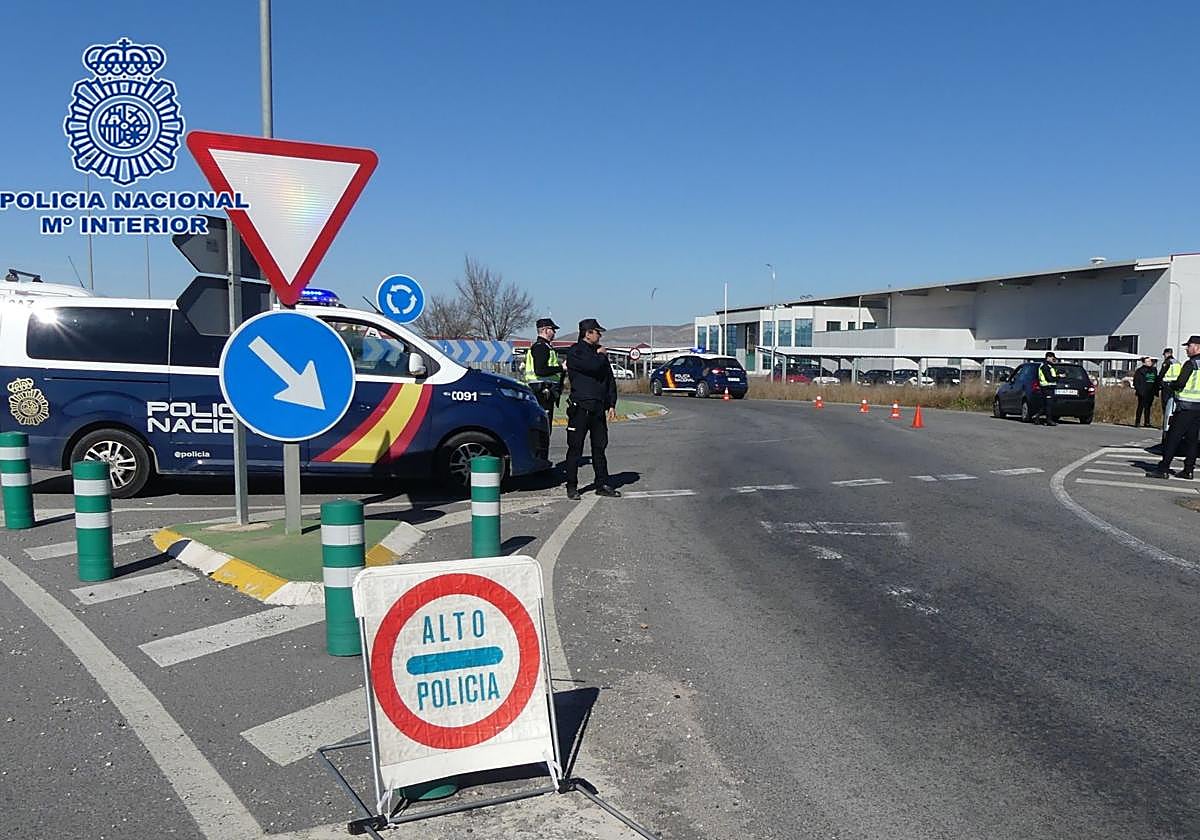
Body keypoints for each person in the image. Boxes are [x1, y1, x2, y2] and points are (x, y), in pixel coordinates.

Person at [563, 318, 619, 500]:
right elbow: (591, 367)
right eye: (597, 332)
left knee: (599, 447)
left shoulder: (599, 354)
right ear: (588, 333)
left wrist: (611, 403)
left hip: (597, 408)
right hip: (580, 407)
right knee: (575, 448)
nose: (600, 335)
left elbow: (608, 379)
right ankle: (572, 486)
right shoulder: (575, 352)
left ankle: (602, 483)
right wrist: (601, 356)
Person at [1149, 335, 1200, 480]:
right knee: (1192, 439)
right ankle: (1188, 470)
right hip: (1198, 408)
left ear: (1197, 347)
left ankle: (1163, 468)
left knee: (1173, 437)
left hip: (1185, 407)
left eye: (1188, 346)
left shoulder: (1191, 364)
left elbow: (1180, 383)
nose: (1186, 349)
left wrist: (1171, 386)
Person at [522, 317, 565, 425]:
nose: (554, 332)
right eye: (553, 329)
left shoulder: (543, 346)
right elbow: (540, 370)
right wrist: (561, 368)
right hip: (542, 391)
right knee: (543, 425)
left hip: (542, 390)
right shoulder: (541, 347)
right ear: (545, 330)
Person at [1036, 352, 1064, 426]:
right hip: (1046, 387)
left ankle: (1037, 417)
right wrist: (1059, 377)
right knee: (1048, 405)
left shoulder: (1049, 366)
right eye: (1053, 358)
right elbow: (1049, 378)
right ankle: (1048, 420)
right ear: (1048, 357)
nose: (1054, 360)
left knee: (1046, 405)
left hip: (1050, 387)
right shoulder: (1045, 366)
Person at [1132, 356, 1158, 428]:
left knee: (1148, 408)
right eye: (1148, 361)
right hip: (1142, 392)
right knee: (1140, 407)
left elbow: (1156, 380)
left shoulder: (1154, 370)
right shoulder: (1140, 371)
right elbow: (1136, 382)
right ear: (1144, 363)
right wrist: (1139, 390)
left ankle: (1147, 422)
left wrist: (1156, 390)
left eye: (1150, 361)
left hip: (1151, 392)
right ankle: (1137, 422)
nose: (1150, 363)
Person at [1159, 348, 1180, 432]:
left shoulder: (1167, 362)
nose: (1164, 356)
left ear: (1167, 354)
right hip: (1174, 386)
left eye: (1164, 354)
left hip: (1167, 385)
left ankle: (1165, 425)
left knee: (1166, 406)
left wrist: (1158, 382)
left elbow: (1162, 374)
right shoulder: (1177, 362)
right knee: (1172, 407)